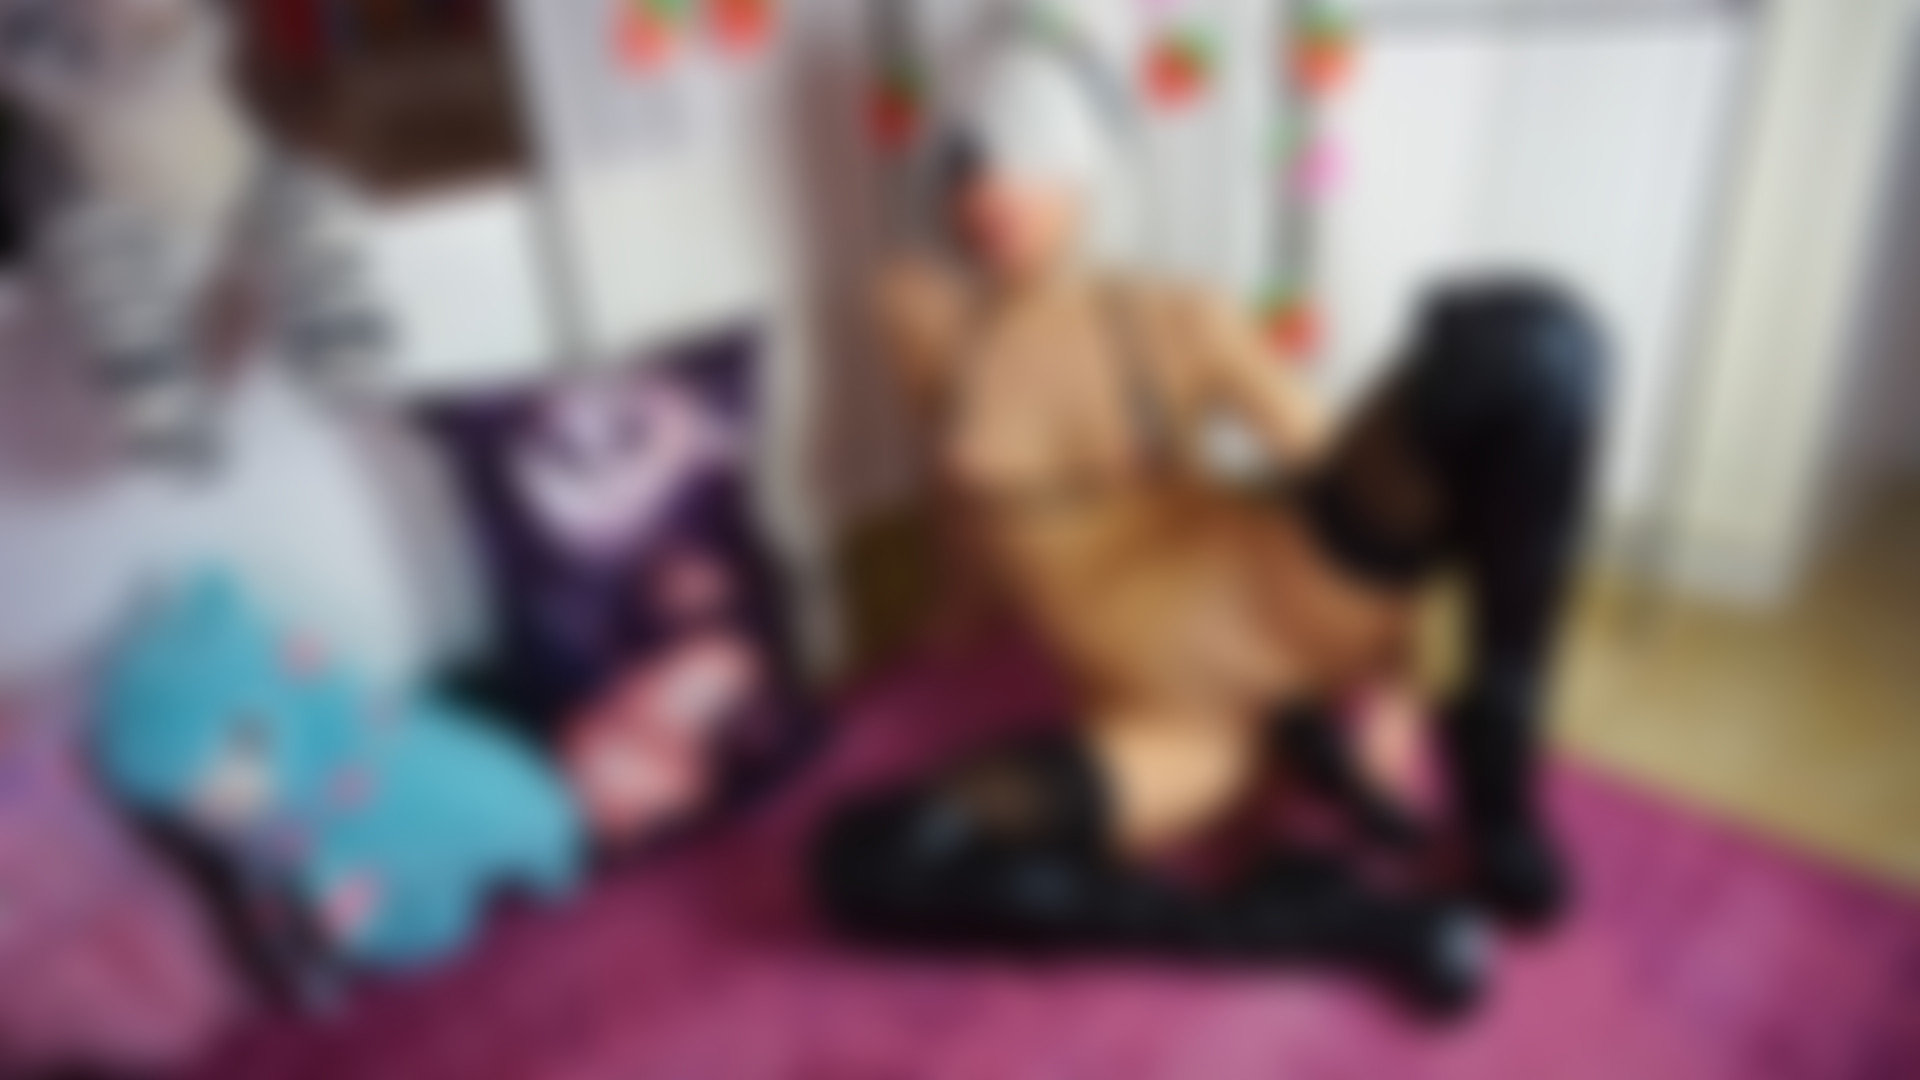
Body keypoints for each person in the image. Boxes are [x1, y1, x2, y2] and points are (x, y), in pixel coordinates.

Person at [812, 0, 1604, 1015]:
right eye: (963, 160)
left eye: (1026, 150)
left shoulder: (1175, 315)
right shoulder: (923, 317)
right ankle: (1334, 923)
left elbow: (1344, 482)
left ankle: (1499, 791)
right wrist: (951, 618)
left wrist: (1404, 691)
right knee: (866, 861)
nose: (989, 188)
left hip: (1266, 604)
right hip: (1174, 729)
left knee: (1530, 348)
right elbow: (955, 509)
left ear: (1091, 166)